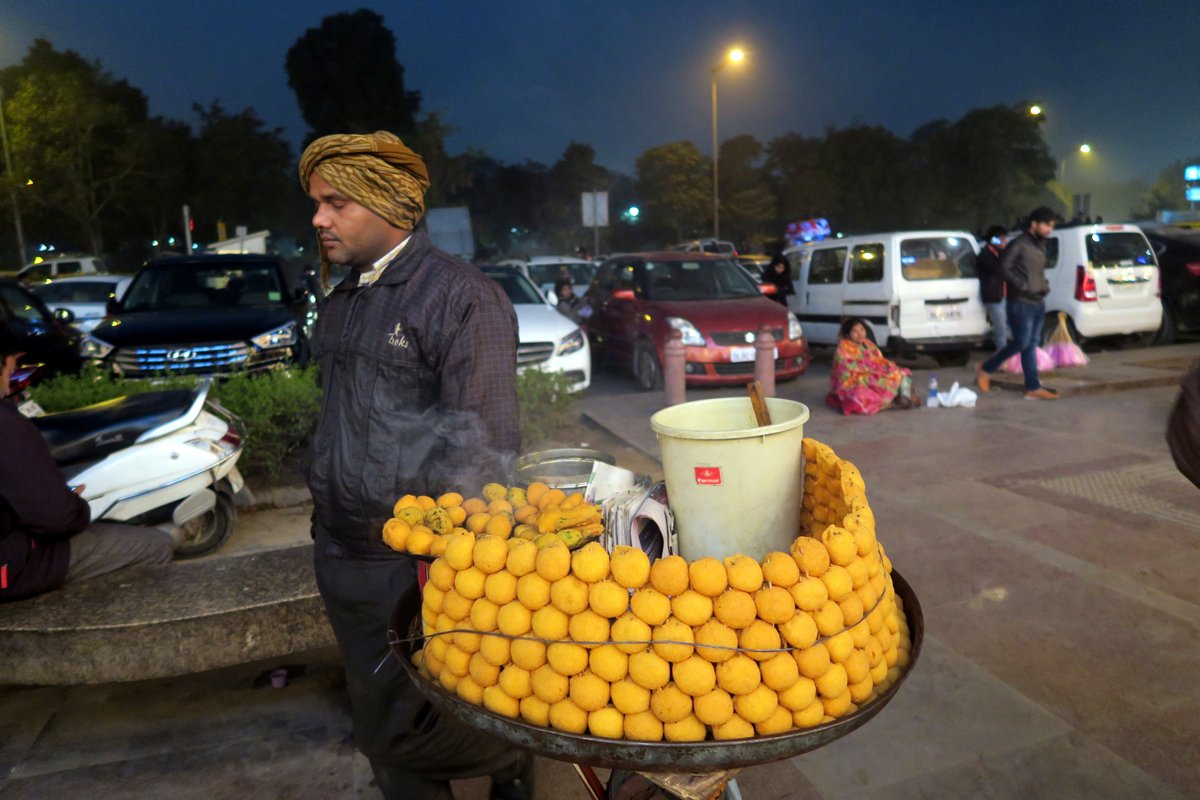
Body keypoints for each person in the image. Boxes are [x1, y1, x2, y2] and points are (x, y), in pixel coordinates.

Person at [299, 131, 530, 800]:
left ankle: (517, 754)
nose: (318, 220)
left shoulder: (460, 297)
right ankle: (511, 760)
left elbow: (485, 448)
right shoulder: (343, 296)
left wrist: (452, 564)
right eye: (316, 203)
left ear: (386, 204)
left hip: (409, 567)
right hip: (340, 553)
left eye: (336, 203)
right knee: (380, 714)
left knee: (402, 731)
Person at [0, 324, 174, 603]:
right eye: (12, 365)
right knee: (156, 546)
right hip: (14, 564)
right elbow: (55, 519)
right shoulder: (6, 425)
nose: (13, 374)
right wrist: (78, 506)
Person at [975, 207, 1059, 400]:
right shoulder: (1019, 244)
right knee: (1022, 342)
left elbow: (1038, 272)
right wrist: (1022, 285)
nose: (1049, 229)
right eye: (1046, 225)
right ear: (1034, 224)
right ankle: (986, 368)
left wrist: (1044, 285)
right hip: (1020, 302)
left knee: (1031, 345)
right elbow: (1003, 268)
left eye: (1052, 225)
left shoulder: (1040, 246)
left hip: (1038, 301)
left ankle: (1033, 387)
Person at [826, 317, 919, 415]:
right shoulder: (844, 348)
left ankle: (905, 397)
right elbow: (845, 368)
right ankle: (895, 401)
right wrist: (872, 369)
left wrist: (886, 367)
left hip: (871, 372)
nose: (860, 334)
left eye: (862, 329)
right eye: (855, 332)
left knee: (900, 372)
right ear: (848, 335)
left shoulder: (868, 344)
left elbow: (879, 359)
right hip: (852, 380)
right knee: (860, 393)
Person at [977, 225, 1008, 351]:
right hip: (994, 297)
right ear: (993, 239)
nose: (1004, 241)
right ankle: (1003, 355)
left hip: (1005, 295)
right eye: (1001, 238)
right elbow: (999, 269)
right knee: (1001, 329)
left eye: (1004, 238)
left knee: (1008, 327)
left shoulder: (1000, 253)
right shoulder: (985, 255)